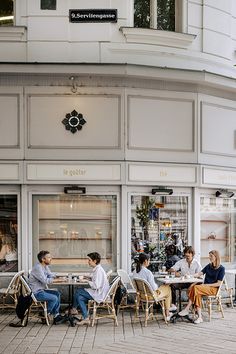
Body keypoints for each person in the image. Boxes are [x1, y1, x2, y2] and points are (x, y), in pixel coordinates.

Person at [179, 250, 225, 324]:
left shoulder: (221, 268)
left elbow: (218, 284)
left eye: (211, 256)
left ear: (216, 257)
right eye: (209, 256)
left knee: (195, 288)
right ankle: (200, 317)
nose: (209, 257)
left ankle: (187, 308)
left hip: (213, 289)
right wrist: (190, 276)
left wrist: (206, 285)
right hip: (204, 288)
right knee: (197, 292)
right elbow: (199, 274)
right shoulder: (208, 266)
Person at [133, 253, 174, 321]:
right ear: (145, 261)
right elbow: (154, 288)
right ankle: (167, 313)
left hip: (141, 295)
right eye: (149, 260)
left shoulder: (135, 271)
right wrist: (158, 286)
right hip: (151, 296)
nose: (149, 262)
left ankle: (168, 312)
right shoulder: (148, 272)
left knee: (165, 287)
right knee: (168, 288)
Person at [72, 252, 109, 326]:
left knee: (78, 291)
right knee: (79, 298)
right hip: (99, 292)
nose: (88, 262)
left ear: (94, 261)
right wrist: (88, 278)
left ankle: (73, 309)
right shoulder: (97, 269)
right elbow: (95, 278)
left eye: (89, 260)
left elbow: (96, 286)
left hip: (99, 294)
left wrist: (86, 280)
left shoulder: (98, 270)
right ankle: (86, 318)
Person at [28, 250, 65, 325]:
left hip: (41, 290)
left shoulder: (45, 266)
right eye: (48, 257)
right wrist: (58, 280)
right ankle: (44, 314)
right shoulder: (38, 268)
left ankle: (56, 316)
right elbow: (45, 281)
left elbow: (50, 275)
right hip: (35, 293)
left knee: (57, 294)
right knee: (54, 298)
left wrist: (59, 276)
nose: (51, 258)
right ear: (43, 259)